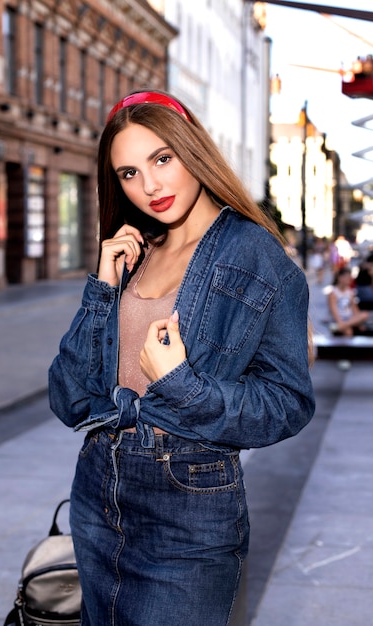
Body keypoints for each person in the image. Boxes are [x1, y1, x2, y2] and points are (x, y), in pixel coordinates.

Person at [48, 90, 315, 626]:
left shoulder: (255, 255)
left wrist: (182, 384)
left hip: (188, 504)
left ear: (193, 150)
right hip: (99, 489)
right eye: (127, 173)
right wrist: (102, 290)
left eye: (161, 159)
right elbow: (70, 397)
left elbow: (288, 402)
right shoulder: (133, 252)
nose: (148, 186)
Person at [328, 266, 369, 336]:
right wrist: (339, 322)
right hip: (339, 319)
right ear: (340, 278)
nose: (349, 280)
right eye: (346, 277)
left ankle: (342, 326)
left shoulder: (350, 292)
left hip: (349, 319)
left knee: (365, 314)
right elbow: (333, 311)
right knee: (348, 332)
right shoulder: (333, 293)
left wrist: (358, 321)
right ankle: (342, 326)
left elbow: (355, 309)